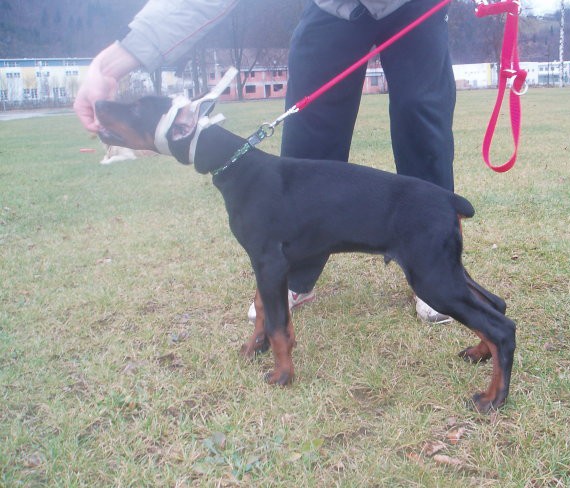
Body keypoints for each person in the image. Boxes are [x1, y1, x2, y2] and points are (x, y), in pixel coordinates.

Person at [74, 0, 456, 324]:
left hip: (416, 6)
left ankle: (435, 266)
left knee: (422, 117)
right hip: (334, 8)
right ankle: (297, 273)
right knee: (310, 131)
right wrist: (110, 65)